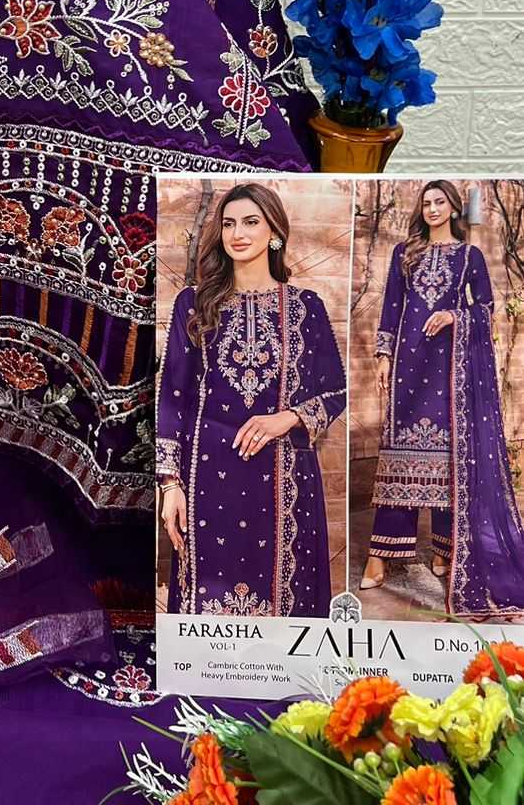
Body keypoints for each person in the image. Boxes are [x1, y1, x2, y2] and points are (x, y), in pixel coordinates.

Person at [156, 182, 346, 617]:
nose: (237, 234)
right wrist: (170, 485)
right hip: (206, 477)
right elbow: (173, 397)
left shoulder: (306, 307)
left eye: (250, 222)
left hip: (284, 473)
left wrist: (288, 418)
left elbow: (335, 390)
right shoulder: (194, 303)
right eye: (228, 224)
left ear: (273, 231)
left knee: (286, 603)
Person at [360, 181, 524, 616]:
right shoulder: (404, 254)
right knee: (399, 454)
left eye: (440, 202)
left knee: (449, 459)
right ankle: (381, 554)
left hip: (450, 369)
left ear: (453, 209)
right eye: (426, 203)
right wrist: (383, 356)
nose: (432, 209)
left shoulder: (469, 256)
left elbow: (485, 307)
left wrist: (455, 314)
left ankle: (446, 550)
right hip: (408, 363)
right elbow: (391, 307)